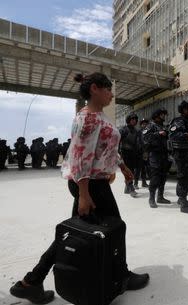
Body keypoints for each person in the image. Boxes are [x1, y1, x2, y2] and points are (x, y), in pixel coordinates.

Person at [9, 72, 149, 304]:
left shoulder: (99, 116)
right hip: (89, 184)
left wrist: (122, 166)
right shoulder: (87, 119)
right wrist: (84, 194)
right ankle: (121, 275)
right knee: (113, 227)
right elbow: (80, 157)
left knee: (74, 232)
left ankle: (31, 282)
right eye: (108, 89)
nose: (112, 94)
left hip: (96, 182)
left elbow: (107, 148)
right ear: (95, 88)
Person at [168, 100, 188, 214]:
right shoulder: (178, 121)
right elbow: (172, 135)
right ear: (184, 110)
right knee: (183, 176)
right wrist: (186, 135)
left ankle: (181, 198)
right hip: (180, 153)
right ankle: (183, 202)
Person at [142, 108, 171, 208]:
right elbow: (145, 138)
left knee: (163, 177)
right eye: (162, 114)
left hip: (164, 154)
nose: (163, 116)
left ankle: (160, 197)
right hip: (155, 155)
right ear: (157, 115)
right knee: (155, 177)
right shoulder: (151, 125)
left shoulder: (163, 126)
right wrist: (157, 134)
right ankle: (151, 198)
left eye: (164, 114)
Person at [119, 113, 141, 197]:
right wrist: (118, 153)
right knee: (128, 171)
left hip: (134, 153)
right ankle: (131, 188)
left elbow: (138, 142)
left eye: (135, 119)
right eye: (132, 119)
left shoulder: (136, 130)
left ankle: (127, 188)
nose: (134, 121)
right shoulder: (123, 130)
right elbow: (118, 141)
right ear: (128, 120)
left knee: (132, 171)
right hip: (125, 153)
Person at [135, 118, 149, 188]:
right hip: (140, 152)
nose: (145, 125)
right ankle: (135, 183)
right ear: (141, 125)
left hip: (146, 152)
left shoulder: (148, 131)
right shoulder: (138, 132)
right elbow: (137, 142)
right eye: (143, 124)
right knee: (138, 168)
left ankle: (144, 182)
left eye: (146, 123)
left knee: (144, 168)